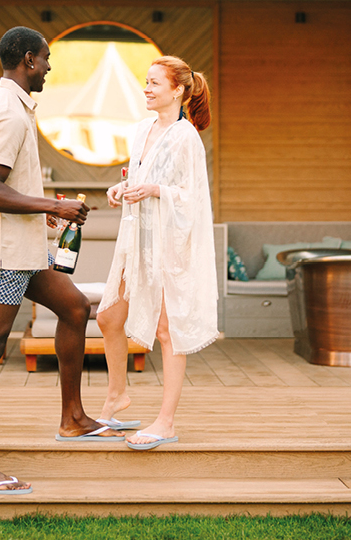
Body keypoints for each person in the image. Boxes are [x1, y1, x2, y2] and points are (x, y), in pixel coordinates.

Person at [0, 26, 124, 496]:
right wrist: (54, 207)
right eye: (46, 59)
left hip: (22, 249)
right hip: (2, 256)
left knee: (74, 307)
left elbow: (4, 185)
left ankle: (72, 418)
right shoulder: (7, 112)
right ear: (28, 60)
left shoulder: (5, 104)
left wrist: (46, 209)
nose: (49, 67)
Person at [96, 55, 219, 449]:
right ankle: (118, 394)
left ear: (178, 90)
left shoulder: (187, 138)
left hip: (170, 246)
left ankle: (165, 421)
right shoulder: (143, 129)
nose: (146, 89)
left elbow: (194, 198)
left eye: (154, 83)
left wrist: (154, 191)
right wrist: (122, 189)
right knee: (109, 317)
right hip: (136, 240)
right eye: (145, 82)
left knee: (168, 331)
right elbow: (138, 177)